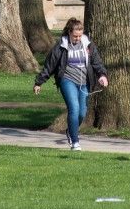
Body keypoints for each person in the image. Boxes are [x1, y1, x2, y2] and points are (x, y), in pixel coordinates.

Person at [33, 17, 109, 151]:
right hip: (67, 80)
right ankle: (75, 142)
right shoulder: (61, 46)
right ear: (69, 32)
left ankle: (70, 131)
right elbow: (50, 65)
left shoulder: (88, 44)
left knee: (82, 112)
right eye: (75, 36)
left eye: (80, 35)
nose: (78, 38)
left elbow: (96, 62)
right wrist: (39, 82)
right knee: (74, 108)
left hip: (84, 82)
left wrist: (102, 75)